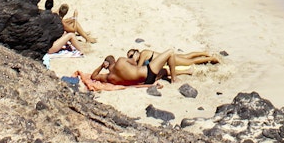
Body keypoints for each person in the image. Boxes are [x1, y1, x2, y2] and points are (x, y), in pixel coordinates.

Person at [74, 48, 221, 92]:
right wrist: (132, 59)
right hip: (147, 73)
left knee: (182, 60)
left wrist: (101, 66)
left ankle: (204, 58)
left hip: (145, 79)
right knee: (171, 53)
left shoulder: (108, 78)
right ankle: (175, 78)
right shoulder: (121, 61)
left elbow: (93, 76)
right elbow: (134, 63)